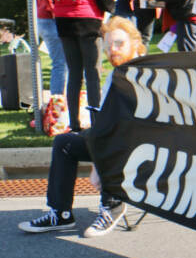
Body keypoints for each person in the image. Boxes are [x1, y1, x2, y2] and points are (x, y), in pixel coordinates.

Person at [18, 16, 146, 238]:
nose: (112, 51)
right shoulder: (117, 73)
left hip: (140, 143)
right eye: (108, 47)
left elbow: (132, 126)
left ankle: (112, 205)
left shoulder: (146, 73)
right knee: (64, 142)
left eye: (119, 44)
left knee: (113, 140)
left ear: (135, 43)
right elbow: (105, 120)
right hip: (111, 138)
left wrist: (98, 160)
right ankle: (61, 213)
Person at [51, 0, 117, 131]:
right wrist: (112, 5)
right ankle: (97, 123)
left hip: (64, 21)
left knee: (74, 74)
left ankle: (75, 123)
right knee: (93, 74)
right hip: (87, 22)